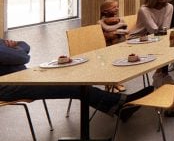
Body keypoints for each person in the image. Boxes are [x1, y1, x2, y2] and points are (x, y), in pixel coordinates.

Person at [0, 38, 152, 122]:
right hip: (8, 87)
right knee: (74, 87)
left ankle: (118, 105)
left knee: (71, 81)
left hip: (23, 78)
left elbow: (24, 44)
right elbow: (23, 55)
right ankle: (120, 104)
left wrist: (16, 48)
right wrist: (16, 50)